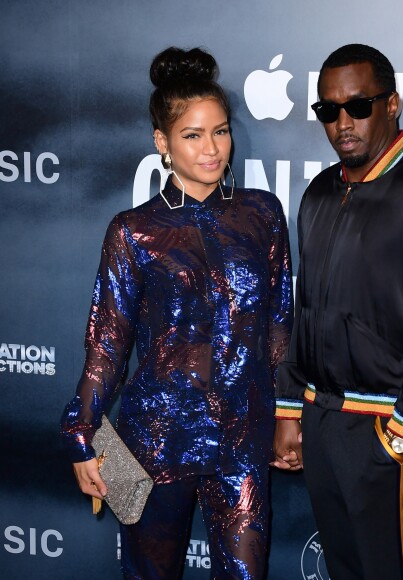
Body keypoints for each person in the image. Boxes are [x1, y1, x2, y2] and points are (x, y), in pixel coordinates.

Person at [61, 46, 293, 580]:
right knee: (146, 574)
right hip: (148, 438)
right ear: (162, 143)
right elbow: (107, 343)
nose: (211, 149)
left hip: (243, 435)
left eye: (220, 131)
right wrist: (82, 435)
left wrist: (287, 415)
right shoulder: (131, 230)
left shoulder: (262, 213)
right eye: (193, 135)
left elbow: (280, 324)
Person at [272, 44, 403, 580]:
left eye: (358, 106)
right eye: (328, 110)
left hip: (391, 434)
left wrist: (393, 441)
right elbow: (308, 312)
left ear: (392, 104)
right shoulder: (319, 193)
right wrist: (294, 410)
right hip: (324, 426)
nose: (343, 122)